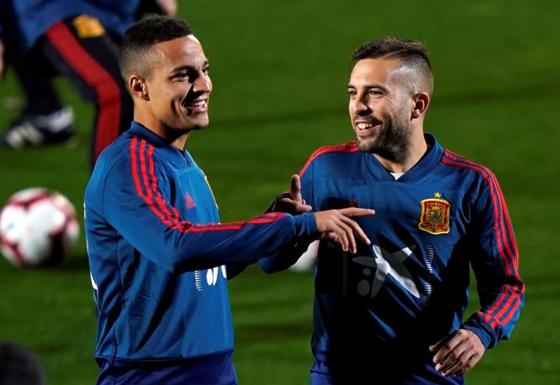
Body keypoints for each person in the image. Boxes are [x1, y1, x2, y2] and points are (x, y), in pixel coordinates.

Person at [84, 15, 374, 385]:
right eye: (183, 75)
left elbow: (207, 270)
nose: (202, 85)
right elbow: (177, 248)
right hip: (153, 375)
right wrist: (301, 223)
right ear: (140, 87)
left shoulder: (181, 163)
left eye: (204, 70)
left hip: (211, 370)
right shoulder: (128, 165)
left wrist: (277, 224)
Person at [264, 37, 525, 385]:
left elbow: (506, 286)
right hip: (338, 374)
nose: (358, 106)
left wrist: (481, 332)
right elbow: (271, 261)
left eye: (375, 93)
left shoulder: (469, 184)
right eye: (352, 93)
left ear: (417, 105)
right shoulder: (326, 168)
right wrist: (283, 225)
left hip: (428, 377)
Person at [0, 0, 176, 167]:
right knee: (116, 90)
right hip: (60, 9)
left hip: (117, 12)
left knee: (153, 95)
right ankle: (106, 195)